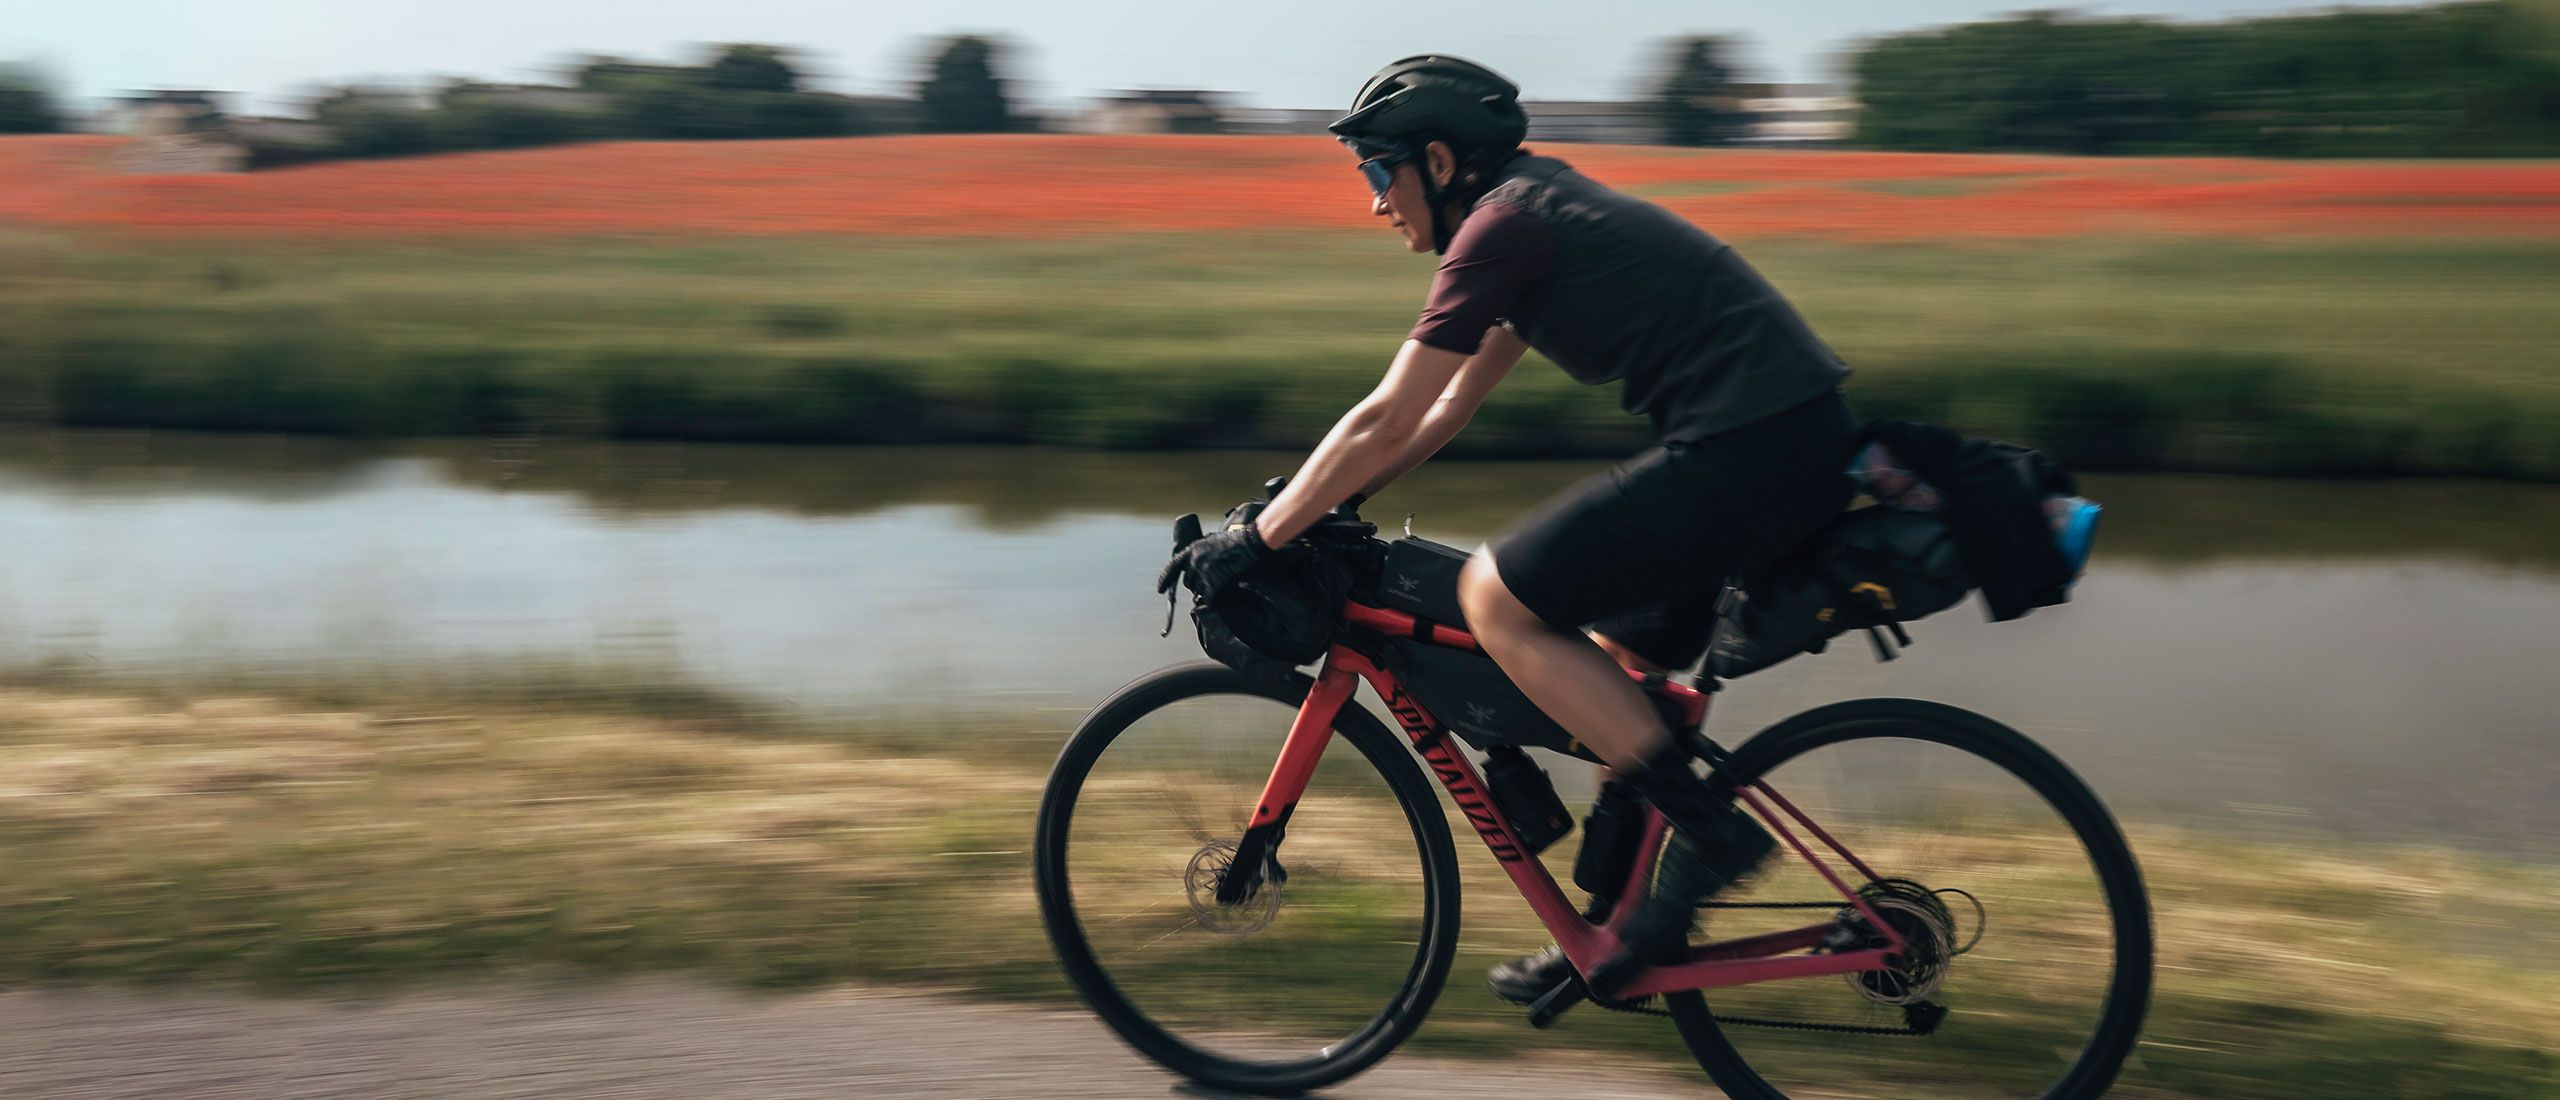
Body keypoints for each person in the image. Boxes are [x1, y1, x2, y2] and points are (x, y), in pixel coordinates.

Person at [1158, 55, 1862, 1000]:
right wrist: (1326, 507)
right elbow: (1445, 409)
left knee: (1496, 596)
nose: (1375, 203)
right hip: (1776, 441)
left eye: (1377, 172)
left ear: (1439, 162)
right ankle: (1618, 934)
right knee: (1608, 665)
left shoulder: (1504, 227)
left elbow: (1386, 415)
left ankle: (1713, 831)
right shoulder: (1535, 209)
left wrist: (1259, 540)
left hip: (1751, 449)